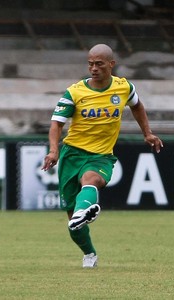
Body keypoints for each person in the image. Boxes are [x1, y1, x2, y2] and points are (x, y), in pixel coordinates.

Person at [42, 44, 163, 268]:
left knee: (91, 180)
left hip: (101, 155)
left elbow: (138, 107)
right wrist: (53, 150)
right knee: (73, 223)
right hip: (72, 154)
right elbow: (57, 123)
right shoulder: (75, 92)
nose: (94, 68)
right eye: (90, 64)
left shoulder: (123, 87)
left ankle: (83, 210)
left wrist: (147, 133)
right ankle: (89, 253)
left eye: (99, 64)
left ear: (111, 64)